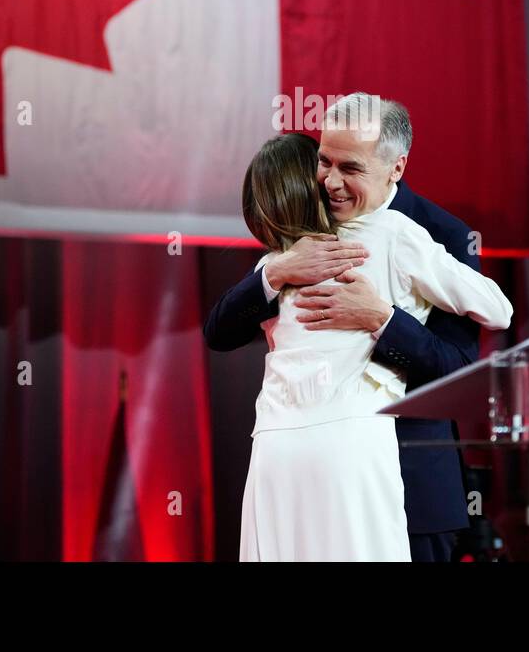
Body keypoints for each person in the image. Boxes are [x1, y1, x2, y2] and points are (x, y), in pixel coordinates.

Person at [204, 92, 507, 561]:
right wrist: (276, 272)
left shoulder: (436, 232)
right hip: (291, 458)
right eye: (324, 161)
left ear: (395, 168)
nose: (330, 182)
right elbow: (220, 332)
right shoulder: (301, 231)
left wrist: (382, 320)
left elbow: (461, 371)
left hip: (412, 484)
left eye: (351, 169)